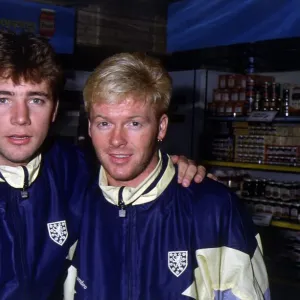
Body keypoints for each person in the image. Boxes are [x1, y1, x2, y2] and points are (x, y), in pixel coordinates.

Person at [0, 31, 209, 300]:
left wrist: (178, 172)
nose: (20, 118)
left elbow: (134, 172)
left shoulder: (73, 170)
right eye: (3, 99)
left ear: (54, 110)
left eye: (35, 99)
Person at [66, 52, 270, 300]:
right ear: (89, 127)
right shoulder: (71, 201)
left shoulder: (214, 209)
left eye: (134, 123)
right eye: (104, 123)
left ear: (161, 127)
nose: (117, 140)